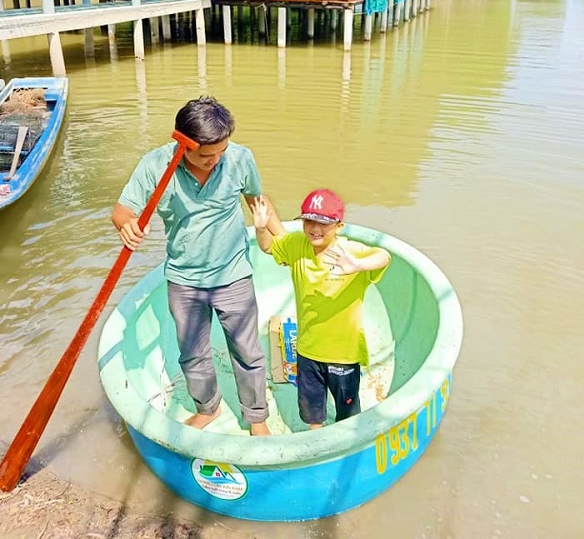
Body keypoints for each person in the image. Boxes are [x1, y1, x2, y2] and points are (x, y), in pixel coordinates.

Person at [112, 95, 283, 436]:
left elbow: (257, 201)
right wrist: (126, 226)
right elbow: (122, 211)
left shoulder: (239, 159)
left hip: (233, 274)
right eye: (206, 156)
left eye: (221, 151)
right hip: (184, 279)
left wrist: (288, 245)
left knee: (248, 351)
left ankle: (256, 416)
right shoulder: (155, 166)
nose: (216, 160)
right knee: (193, 354)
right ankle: (208, 408)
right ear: (183, 144)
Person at [251, 188, 391, 429]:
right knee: (312, 411)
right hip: (307, 350)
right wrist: (262, 228)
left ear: (339, 226)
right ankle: (316, 438)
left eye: (323, 223)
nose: (314, 229)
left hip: (343, 354)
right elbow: (268, 247)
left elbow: (384, 256)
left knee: (347, 414)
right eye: (309, 221)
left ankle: (344, 441)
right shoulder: (296, 244)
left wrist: (358, 265)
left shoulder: (350, 251)